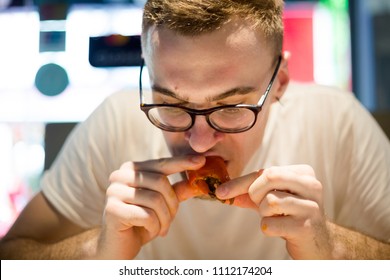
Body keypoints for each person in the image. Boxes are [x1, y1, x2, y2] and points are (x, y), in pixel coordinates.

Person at [1, 0, 389, 260]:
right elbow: (13, 254)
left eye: (233, 108)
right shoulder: (116, 120)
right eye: (171, 103)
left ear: (280, 85)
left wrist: (332, 247)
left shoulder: (337, 123)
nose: (200, 141)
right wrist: (99, 251)